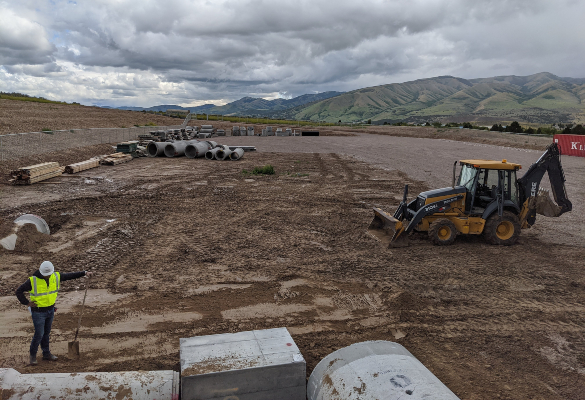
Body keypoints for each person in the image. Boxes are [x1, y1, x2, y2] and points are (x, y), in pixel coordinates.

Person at [15, 261, 94, 365]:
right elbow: (18, 291)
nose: (47, 277)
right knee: (39, 334)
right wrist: (27, 303)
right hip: (38, 312)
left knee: (46, 334)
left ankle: (46, 354)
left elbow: (70, 275)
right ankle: (32, 356)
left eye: (49, 275)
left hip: (50, 310)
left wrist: (84, 273)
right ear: (41, 272)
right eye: (45, 275)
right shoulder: (32, 280)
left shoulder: (55, 276)